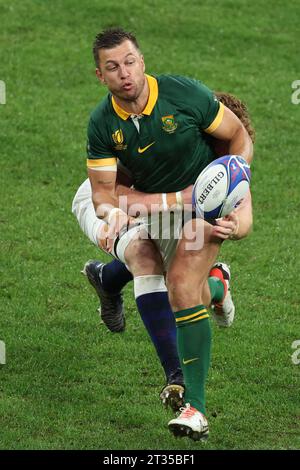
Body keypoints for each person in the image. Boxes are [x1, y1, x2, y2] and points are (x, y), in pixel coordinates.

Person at [81, 27, 253, 441]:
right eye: (113, 66)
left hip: (193, 215)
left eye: (130, 61)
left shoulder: (190, 104)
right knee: (150, 259)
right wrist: (117, 212)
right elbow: (107, 194)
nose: (125, 73)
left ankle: (194, 407)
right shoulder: (104, 123)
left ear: (143, 61)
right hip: (144, 205)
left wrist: (233, 218)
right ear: (100, 75)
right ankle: (216, 284)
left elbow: (239, 151)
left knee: (177, 284)